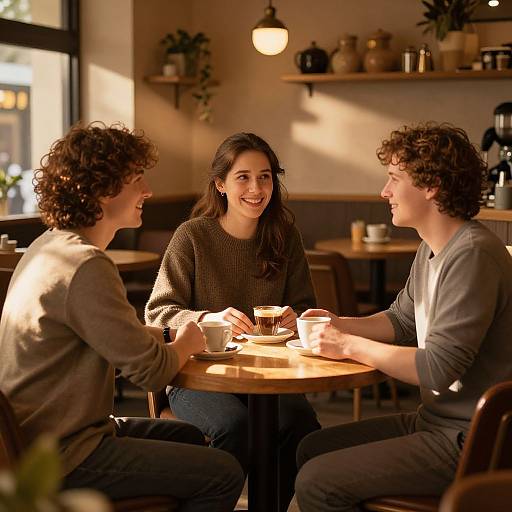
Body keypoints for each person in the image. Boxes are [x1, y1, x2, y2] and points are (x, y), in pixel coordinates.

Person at [0, 122, 244, 512]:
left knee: (188, 440)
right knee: (224, 472)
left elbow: (109, 337)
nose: (147, 190)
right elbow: (151, 373)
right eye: (136, 179)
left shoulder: (47, 246)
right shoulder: (85, 265)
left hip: (40, 438)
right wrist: (188, 339)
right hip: (65, 454)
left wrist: (165, 331)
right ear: (101, 188)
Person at [294, 122, 512, 512]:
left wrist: (347, 345)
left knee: (317, 482)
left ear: (431, 187)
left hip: (473, 438)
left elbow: (438, 369)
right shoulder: (431, 249)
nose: (385, 191)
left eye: (394, 178)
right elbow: (402, 322)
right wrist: (337, 323)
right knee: (311, 449)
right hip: (435, 421)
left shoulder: (473, 255)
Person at [145, 132, 321, 511]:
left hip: (267, 374)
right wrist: (206, 318)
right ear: (220, 184)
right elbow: (158, 313)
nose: (256, 188)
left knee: (301, 425)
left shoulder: (284, 237)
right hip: (196, 376)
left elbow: (307, 308)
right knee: (235, 428)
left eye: (265, 176)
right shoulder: (192, 236)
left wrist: (296, 317)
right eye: (243, 177)